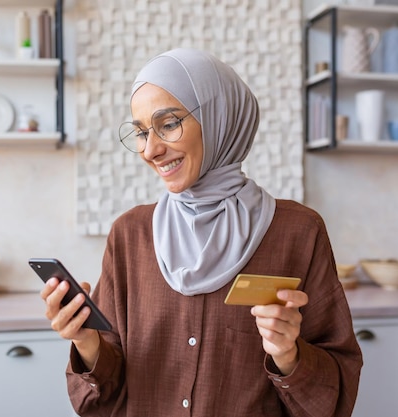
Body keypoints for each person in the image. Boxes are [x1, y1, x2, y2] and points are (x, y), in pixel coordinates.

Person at [41, 48, 362, 416]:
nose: (150, 150)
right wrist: (86, 340)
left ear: (218, 117)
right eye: (141, 132)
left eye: (168, 124)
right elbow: (105, 396)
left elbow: (336, 391)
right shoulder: (129, 235)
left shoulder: (297, 232)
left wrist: (289, 354)